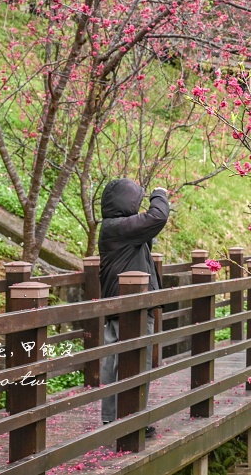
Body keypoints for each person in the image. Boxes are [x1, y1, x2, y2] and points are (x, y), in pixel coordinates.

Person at [98, 179, 170, 437]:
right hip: (130, 308)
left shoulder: (115, 227)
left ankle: (122, 417)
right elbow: (157, 217)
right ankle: (125, 418)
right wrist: (159, 194)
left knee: (123, 361)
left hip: (125, 305)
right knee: (128, 362)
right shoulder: (119, 228)